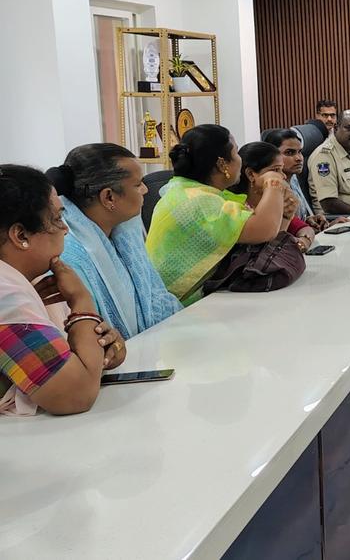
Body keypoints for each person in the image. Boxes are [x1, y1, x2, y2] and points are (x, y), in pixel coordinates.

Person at [1, 164, 123, 416]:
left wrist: (105, 346)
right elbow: (74, 395)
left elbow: (87, 358)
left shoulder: (31, 282)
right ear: (21, 235)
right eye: (57, 219)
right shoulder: (6, 295)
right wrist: (81, 301)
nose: (65, 229)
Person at [45, 144, 181, 340]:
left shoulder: (125, 231)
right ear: (109, 197)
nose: (145, 189)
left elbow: (155, 295)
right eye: (138, 184)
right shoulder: (69, 256)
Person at [147, 124, 288, 304]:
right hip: (175, 308)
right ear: (222, 164)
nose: (240, 160)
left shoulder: (187, 191)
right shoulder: (199, 202)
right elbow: (264, 229)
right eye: (236, 152)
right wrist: (273, 181)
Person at [229, 142, 313, 253]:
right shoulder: (234, 208)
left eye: (281, 169)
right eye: (275, 170)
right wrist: (285, 220)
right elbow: (265, 253)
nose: (283, 176)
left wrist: (302, 242)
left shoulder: (271, 200)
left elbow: (304, 228)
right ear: (251, 174)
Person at [262, 128, 348, 231]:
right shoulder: (272, 187)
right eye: (289, 152)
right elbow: (281, 233)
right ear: (271, 156)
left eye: (300, 152)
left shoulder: (292, 178)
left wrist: (310, 221)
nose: (299, 158)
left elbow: (294, 222)